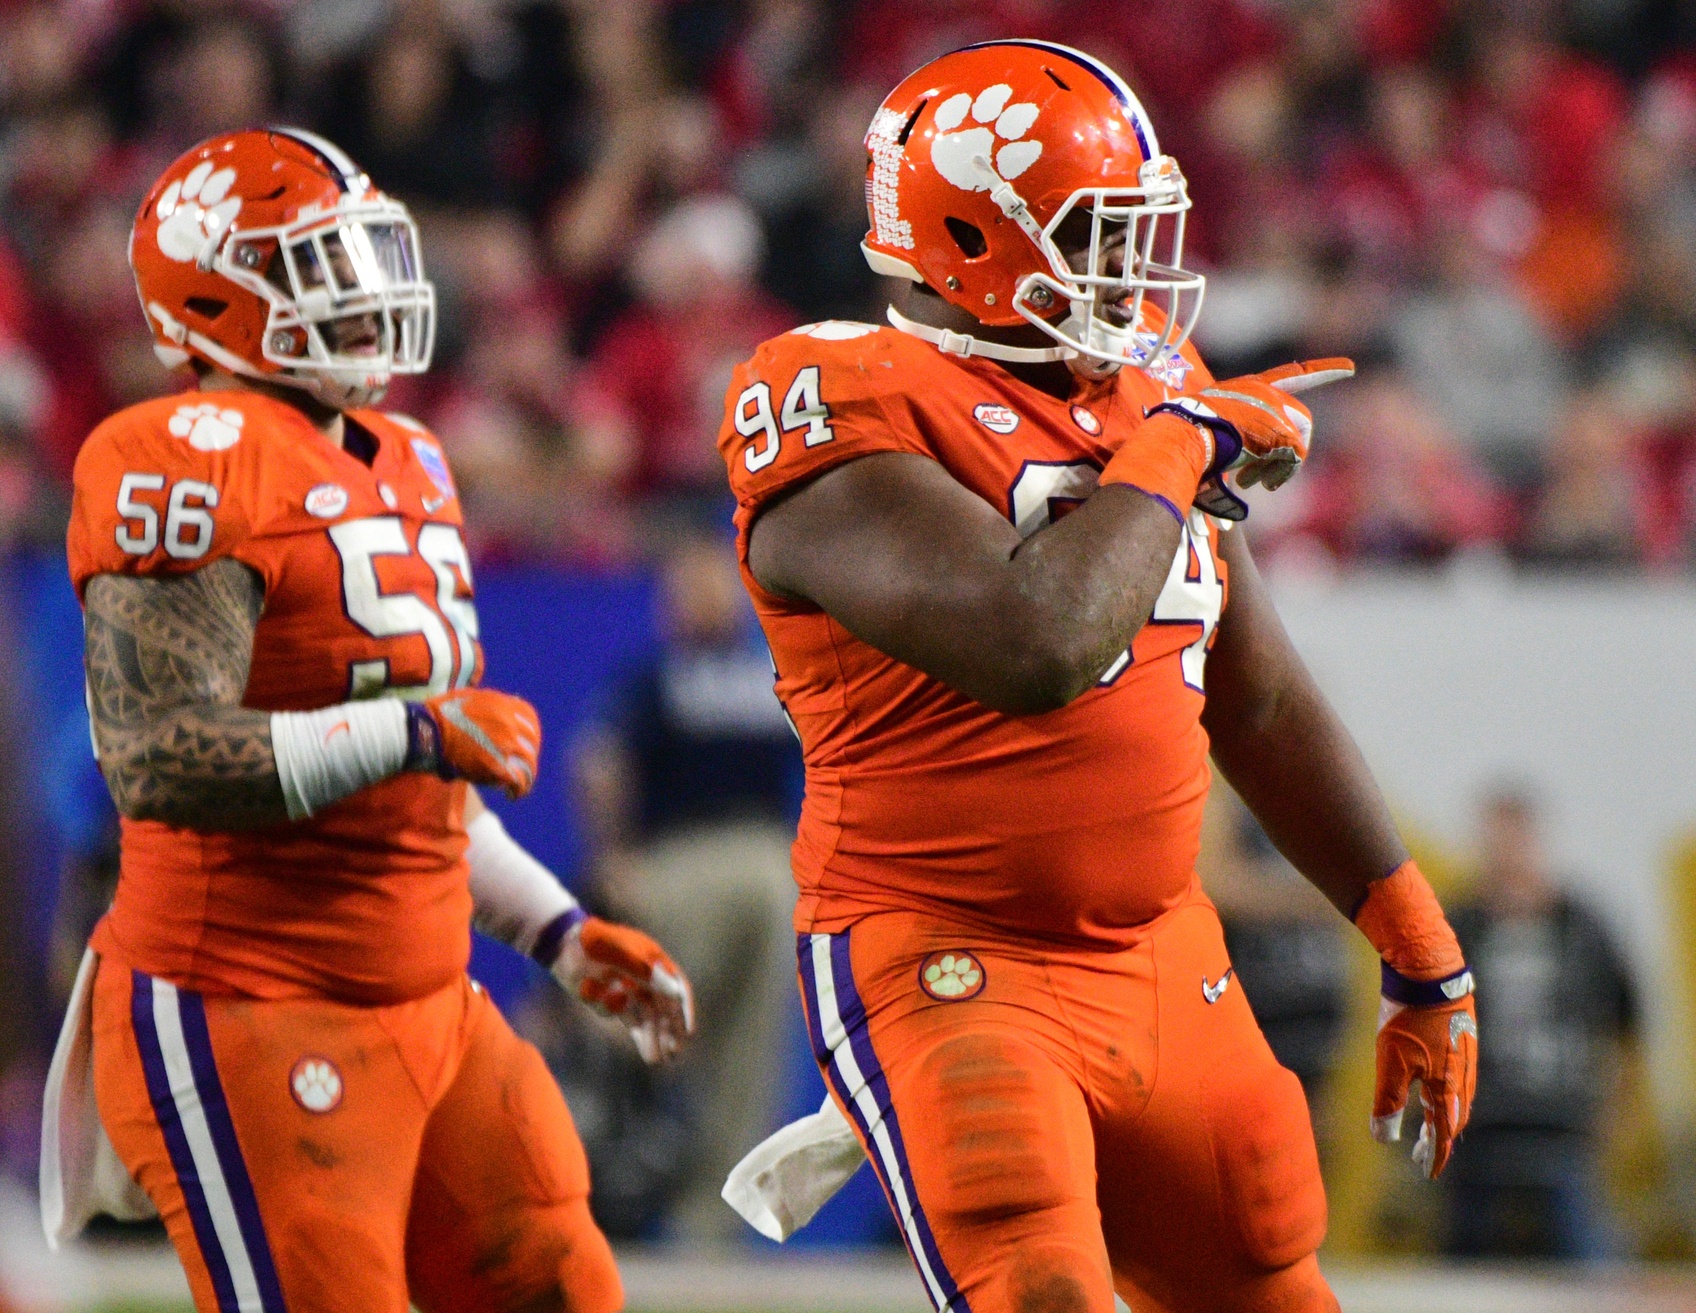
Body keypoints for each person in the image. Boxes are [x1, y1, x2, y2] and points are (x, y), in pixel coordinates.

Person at [716, 42, 1478, 1313]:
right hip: (949, 954)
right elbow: (1038, 644)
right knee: (1042, 1287)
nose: (1131, 269)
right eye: (1093, 231)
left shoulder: (1150, 381)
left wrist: (1417, 942)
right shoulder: (832, 390)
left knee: (1271, 1274)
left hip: (1155, 947)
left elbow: (1259, 694)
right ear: (968, 233)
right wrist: (1178, 447)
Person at [45, 128, 693, 1313]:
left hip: (429, 996)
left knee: (562, 1284)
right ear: (213, 295)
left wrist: (557, 929)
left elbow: (420, 791)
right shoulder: (179, 454)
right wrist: (412, 730)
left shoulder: (413, 456)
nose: (359, 295)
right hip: (244, 1003)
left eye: (360, 258)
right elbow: (158, 757)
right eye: (312, 268)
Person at [574, 529, 801, 1238]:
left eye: (710, 581)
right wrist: (613, 855)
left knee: (750, 1043)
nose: (700, 596)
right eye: (686, 584)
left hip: (766, 857)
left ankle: (713, 1223)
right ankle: (606, 1158)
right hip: (674, 864)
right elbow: (598, 761)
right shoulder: (655, 677)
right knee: (631, 1022)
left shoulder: (772, 670)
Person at [1444, 790, 1639, 1258]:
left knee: (1589, 1262)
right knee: (1459, 1274)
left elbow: (1625, 1029)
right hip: (1478, 1133)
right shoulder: (1458, 928)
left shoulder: (1586, 928)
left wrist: (1615, 1118)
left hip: (1564, 1130)